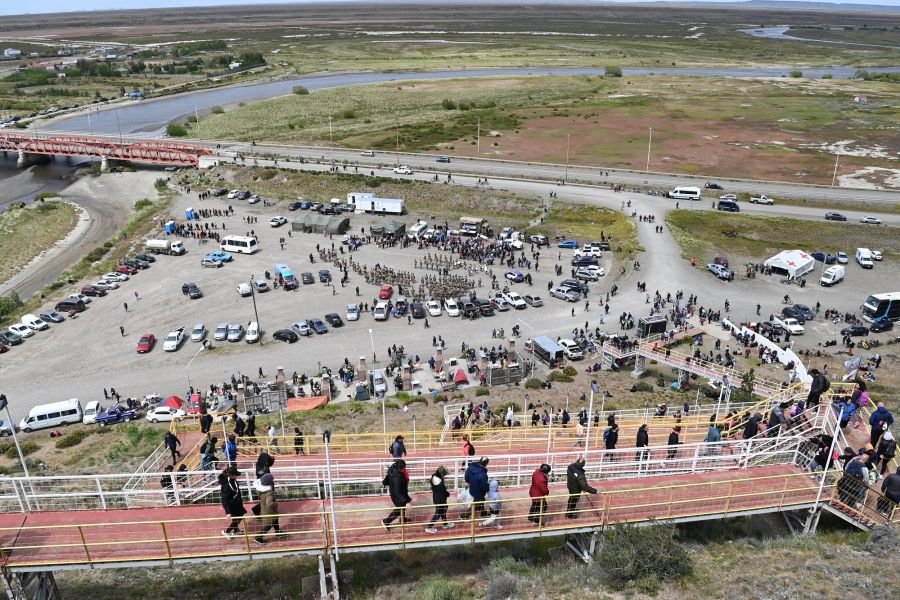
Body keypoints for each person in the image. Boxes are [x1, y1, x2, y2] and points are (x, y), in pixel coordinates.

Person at [382, 460, 412, 530]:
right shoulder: (397, 478)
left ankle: (403, 519)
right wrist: (406, 502)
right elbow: (397, 492)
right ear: (400, 469)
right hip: (397, 495)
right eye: (404, 468)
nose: (405, 469)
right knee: (399, 509)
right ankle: (386, 521)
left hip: (400, 492)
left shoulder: (393, 468)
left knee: (402, 507)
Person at [254, 473, 282, 544]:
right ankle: (258, 537)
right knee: (268, 525)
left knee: (275, 520)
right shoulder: (269, 493)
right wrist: (276, 503)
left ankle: (278, 532)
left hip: (265, 510)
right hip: (269, 512)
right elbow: (270, 504)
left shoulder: (260, 490)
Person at [219, 466, 246, 539]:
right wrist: (227, 512)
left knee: (237, 518)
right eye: (235, 475)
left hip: (237, 503)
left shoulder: (233, 480)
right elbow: (224, 499)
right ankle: (227, 531)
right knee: (238, 518)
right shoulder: (226, 485)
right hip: (231, 505)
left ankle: (236, 530)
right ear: (231, 475)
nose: (236, 476)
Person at [425, 466, 454, 533]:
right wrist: (447, 494)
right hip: (440, 500)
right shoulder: (439, 483)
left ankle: (445, 524)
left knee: (443, 511)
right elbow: (442, 492)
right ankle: (429, 526)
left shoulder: (434, 476)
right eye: (444, 475)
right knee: (438, 513)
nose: (445, 476)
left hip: (437, 498)